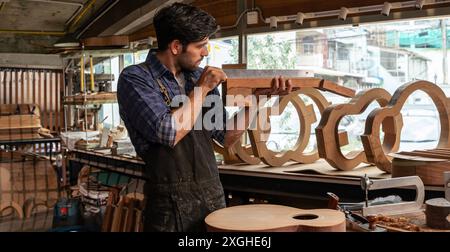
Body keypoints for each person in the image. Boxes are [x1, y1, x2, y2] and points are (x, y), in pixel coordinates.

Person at [117, 3, 292, 232]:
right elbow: (169, 132)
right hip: (169, 210)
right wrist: (201, 89)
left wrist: (257, 101)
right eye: (200, 46)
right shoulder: (136, 79)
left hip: (212, 200)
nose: (206, 52)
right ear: (176, 46)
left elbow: (225, 137)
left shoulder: (198, 77)